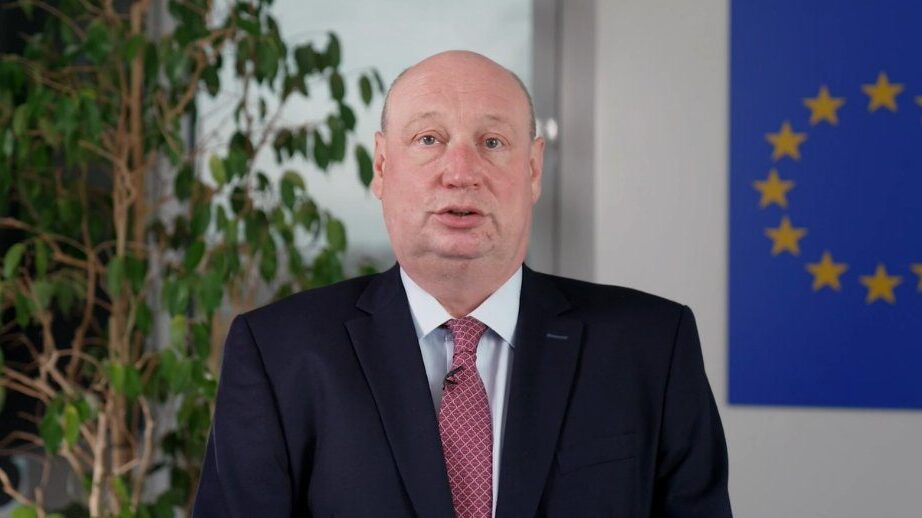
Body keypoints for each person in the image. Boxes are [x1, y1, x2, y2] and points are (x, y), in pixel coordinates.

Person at [192, 50, 731, 517]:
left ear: (534, 169)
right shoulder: (277, 353)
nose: (460, 172)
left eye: (493, 142)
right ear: (381, 166)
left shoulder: (653, 347)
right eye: (429, 138)